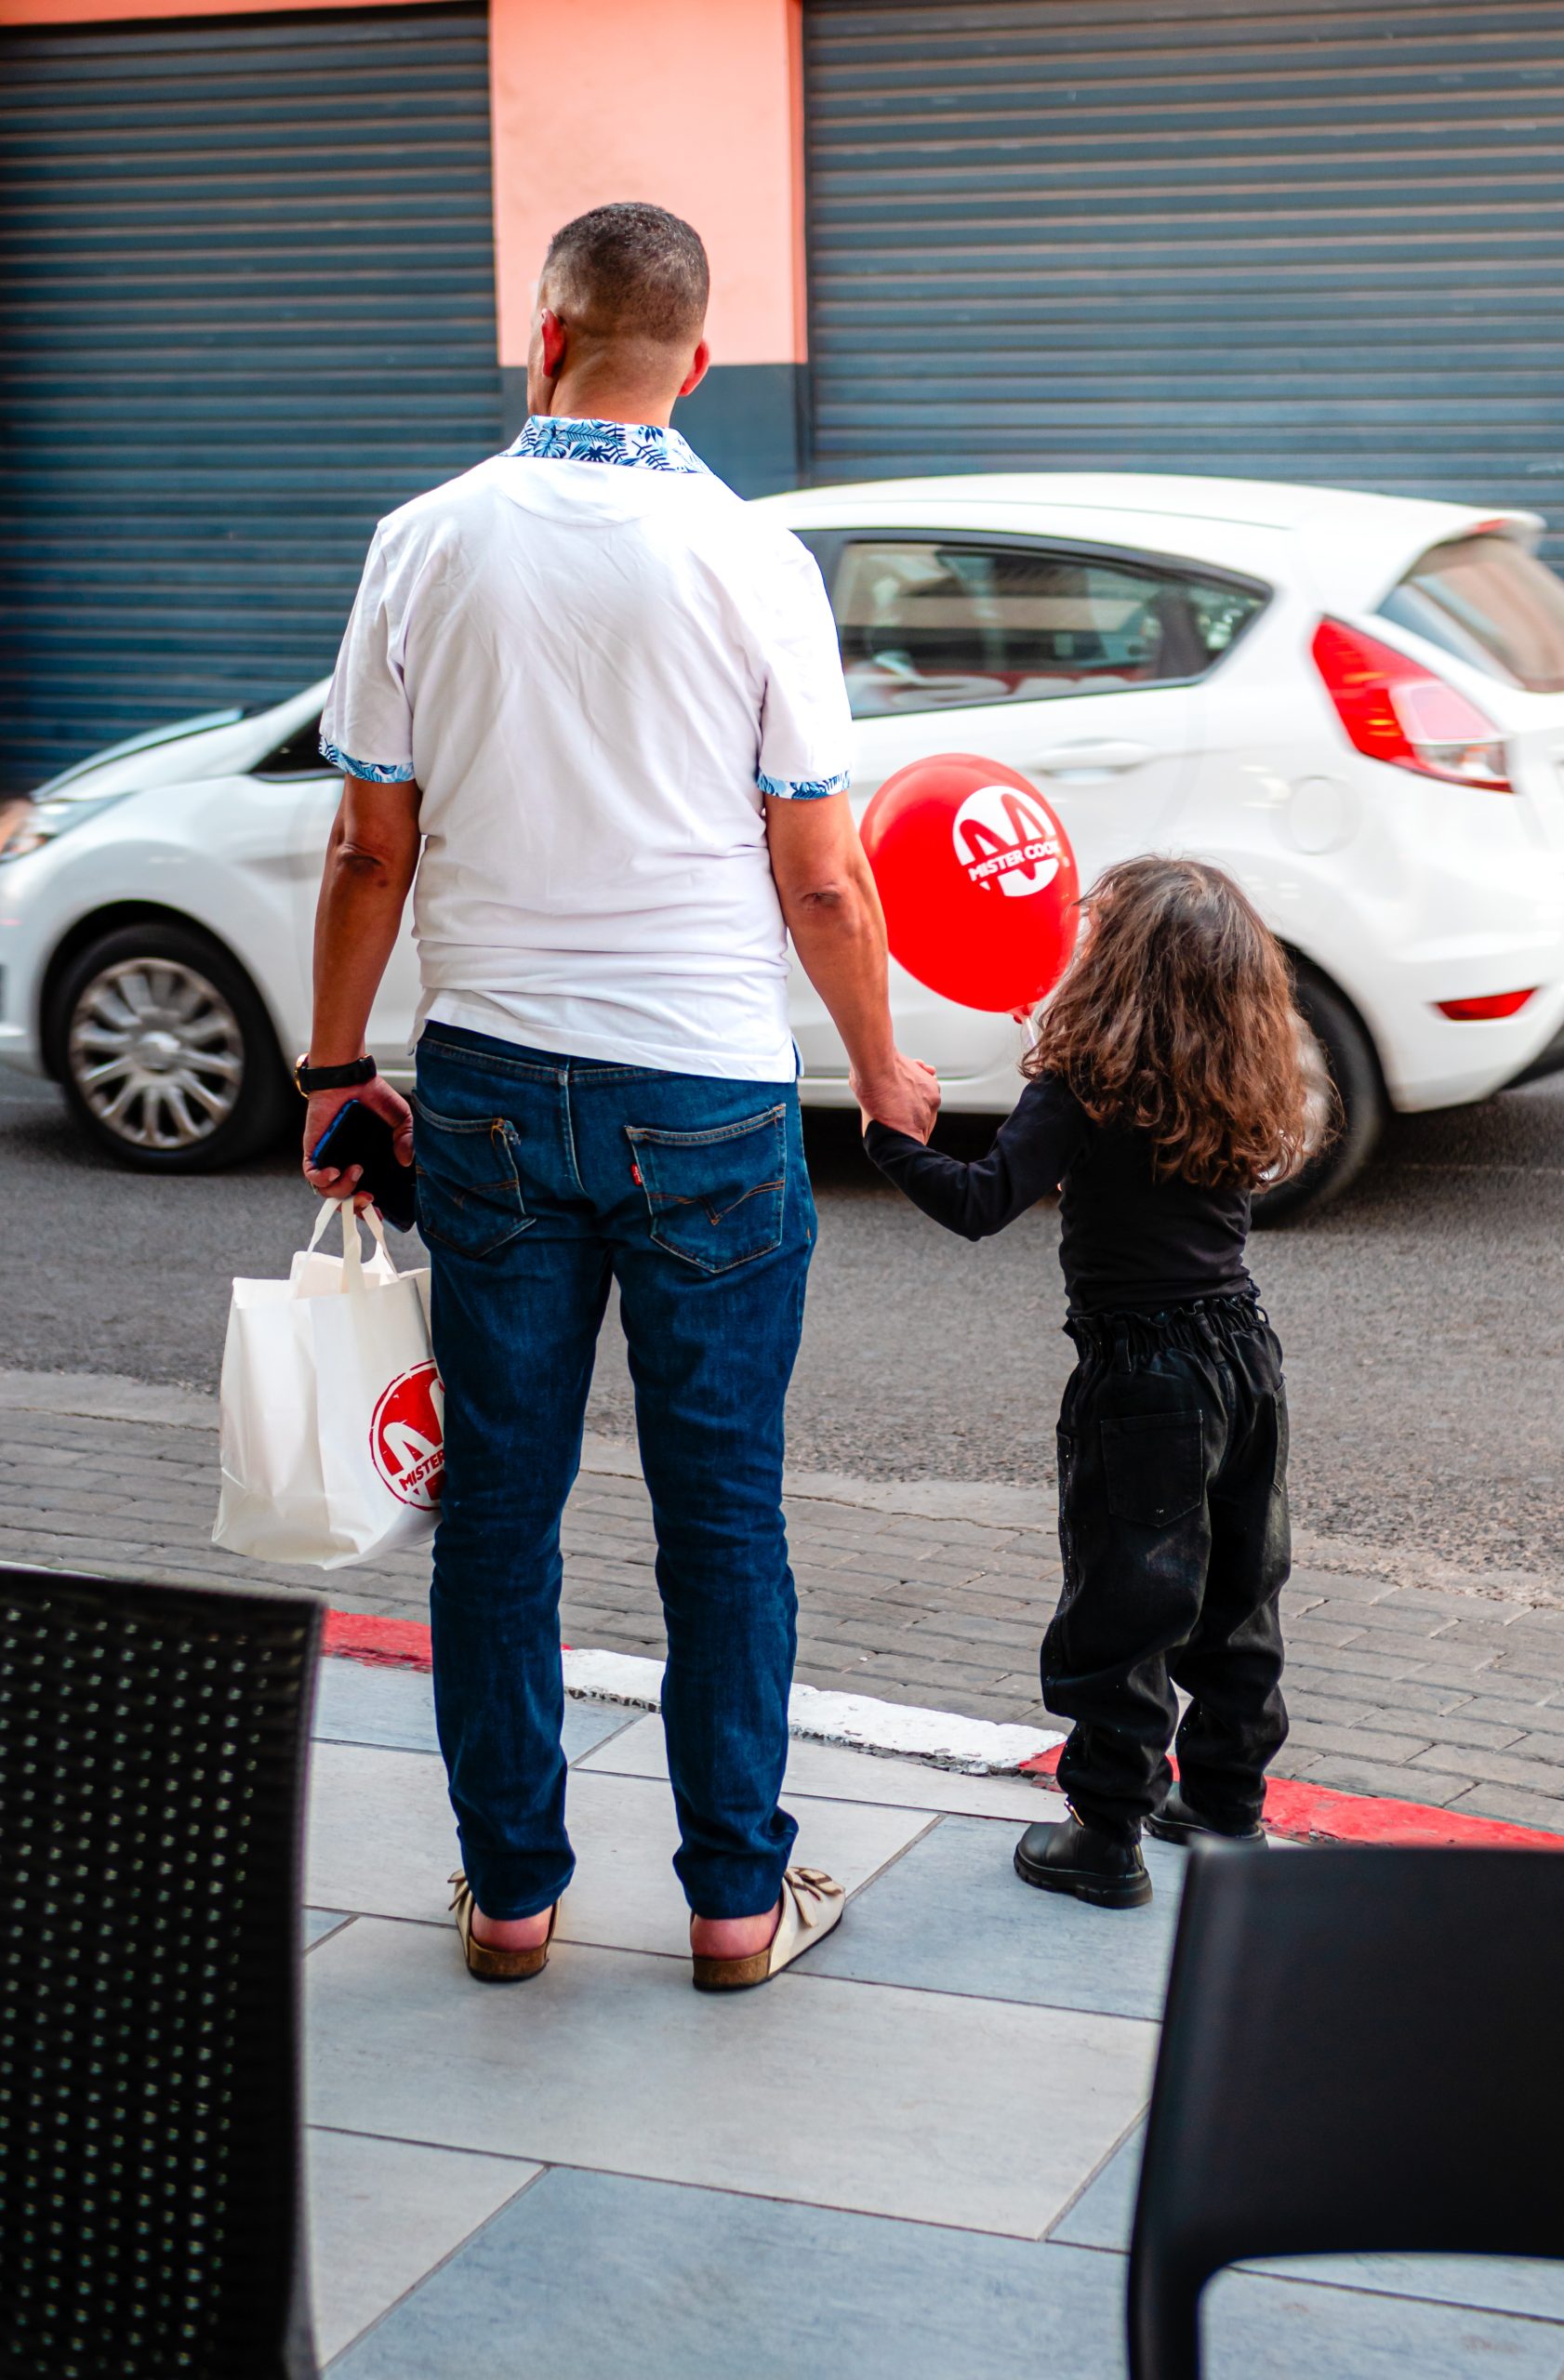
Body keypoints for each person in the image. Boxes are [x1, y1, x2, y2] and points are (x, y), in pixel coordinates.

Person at [299, 202, 937, 1990]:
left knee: (502, 1506)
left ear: (546, 337)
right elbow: (820, 876)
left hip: (490, 1086)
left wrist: (339, 1066)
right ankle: (737, 1904)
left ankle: (512, 1900)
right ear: (702, 361)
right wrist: (881, 1065)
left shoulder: (424, 544)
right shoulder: (754, 562)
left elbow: (368, 848)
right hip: (715, 1103)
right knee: (721, 1512)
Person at [863, 858, 1312, 1908]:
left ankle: (1105, 1833)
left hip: (1142, 1376)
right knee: (1240, 1590)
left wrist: (893, 1140)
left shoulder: (1082, 1080)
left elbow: (983, 1203)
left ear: (1117, 964)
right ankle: (1225, 1802)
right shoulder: (1238, 1066)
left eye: (1093, 934)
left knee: (1128, 1599)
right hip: (1245, 1353)